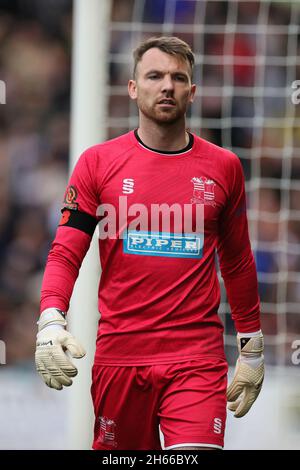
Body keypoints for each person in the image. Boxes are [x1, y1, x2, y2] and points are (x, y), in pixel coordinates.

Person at [35, 36, 264, 451]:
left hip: (196, 357)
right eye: (155, 76)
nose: (167, 86)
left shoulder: (224, 167)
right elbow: (66, 251)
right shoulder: (97, 164)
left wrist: (252, 349)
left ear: (192, 93)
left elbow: (238, 263)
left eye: (179, 78)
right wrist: (51, 319)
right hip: (120, 356)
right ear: (133, 87)